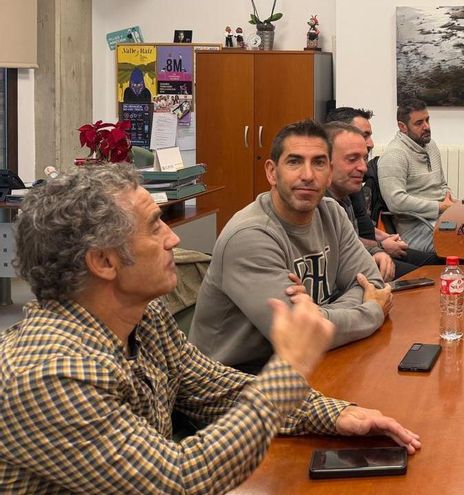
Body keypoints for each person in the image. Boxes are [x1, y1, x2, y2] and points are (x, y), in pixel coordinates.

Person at [0, 164, 420, 493]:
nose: (173, 240)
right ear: (104, 262)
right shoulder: (47, 373)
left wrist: (335, 414)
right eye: (154, 225)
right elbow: (178, 480)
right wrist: (290, 367)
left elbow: (216, 390)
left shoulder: (143, 318)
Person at [189, 120, 392, 374]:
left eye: (318, 162)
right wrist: (371, 310)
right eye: (294, 161)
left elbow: (372, 283)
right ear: (272, 172)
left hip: (305, 364)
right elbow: (300, 333)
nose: (307, 175)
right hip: (234, 383)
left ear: (329, 173)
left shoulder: (331, 213)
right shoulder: (250, 236)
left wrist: (320, 315)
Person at [324, 108, 439, 278]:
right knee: (428, 277)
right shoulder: (324, 202)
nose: (370, 143)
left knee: (439, 267)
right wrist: (381, 247)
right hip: (364, 263)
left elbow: (355, 236)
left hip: (371, 253)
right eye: (364, 135)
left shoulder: (347, 191)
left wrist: (385, 241)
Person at [378, 98, 454, 253]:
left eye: (427, 120)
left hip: (441, 221)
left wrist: (450, 199)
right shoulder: (394, 155)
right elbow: (396, 202)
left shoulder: (430, 145)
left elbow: (442, 184)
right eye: (419, 123)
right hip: (416, 230)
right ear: (402, 127)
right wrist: (440, 207)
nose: (426, 127)